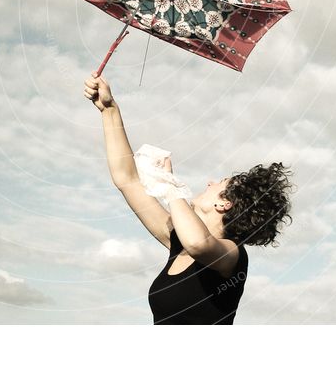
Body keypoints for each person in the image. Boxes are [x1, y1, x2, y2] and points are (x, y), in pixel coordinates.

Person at [83, 71, 293, 325]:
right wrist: (109, 110)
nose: (209, 182)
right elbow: (127, 181)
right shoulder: (177, 241)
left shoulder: (232, 256)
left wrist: (171, 187)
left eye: (219, 183)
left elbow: (199, 244)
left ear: (224, 204)